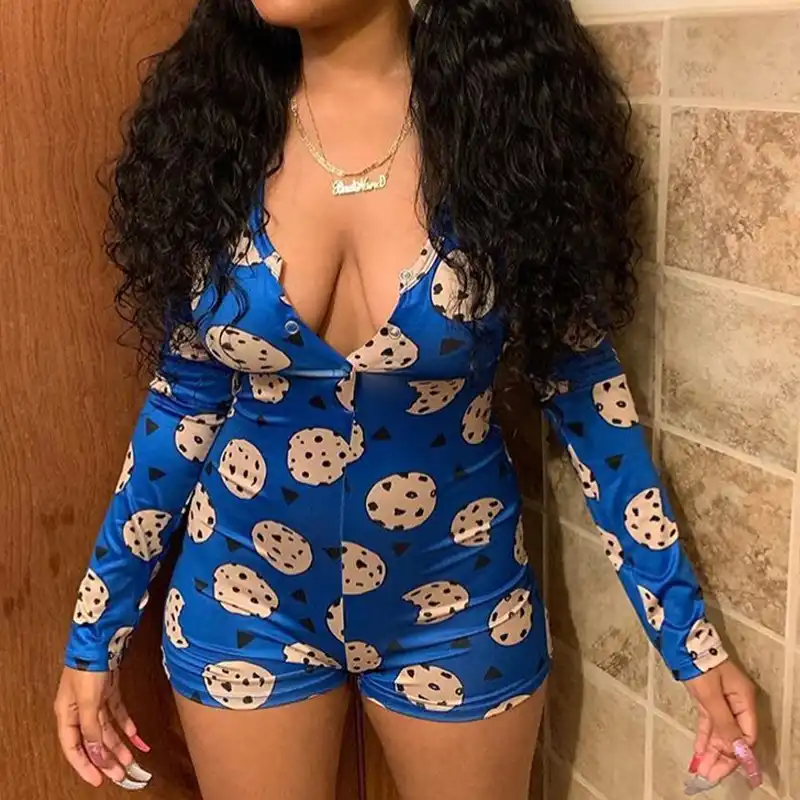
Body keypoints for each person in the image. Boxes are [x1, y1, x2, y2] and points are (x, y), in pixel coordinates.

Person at [53, 1, 762, 798]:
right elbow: (182, 406)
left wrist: (691, 641)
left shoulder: (504, 125)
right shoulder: (215, 133)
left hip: (460, 605)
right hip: (241, 599)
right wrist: (94, 632)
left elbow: (589, 403)